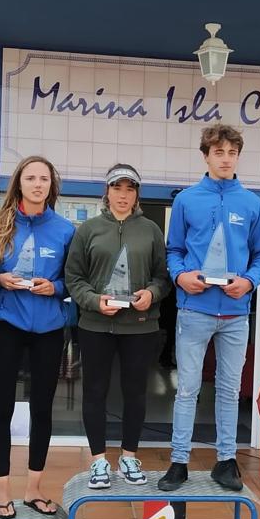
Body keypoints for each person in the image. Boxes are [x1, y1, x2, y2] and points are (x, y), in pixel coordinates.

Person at [160, 124, 260, 492]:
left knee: (228, 390)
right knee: (188, 388)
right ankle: (179, 461)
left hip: (236, 313)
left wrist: (250, 281)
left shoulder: (252, 203)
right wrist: (181, 277)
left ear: (238, 157)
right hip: (194, 310)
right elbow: (173, 251)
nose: (225, 159)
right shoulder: (187, 200)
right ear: (206, 156)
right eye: (219, 152)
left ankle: (225, 462)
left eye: (232, 153)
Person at [64, 164, 171, 489]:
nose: (123, 195)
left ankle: (129, 455)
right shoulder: (88, 230)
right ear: (106, 192)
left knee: (135, 393)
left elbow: (163, 277)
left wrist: (150, 294)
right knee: (94, 392)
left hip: (140, 326)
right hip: (96, 325)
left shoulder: (151, 230)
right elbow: (73, 278)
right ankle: (98, 460)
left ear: (136, 193)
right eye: (117, 188)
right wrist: (96, 302)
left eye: (129, 189)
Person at [0, 155, 75, 517]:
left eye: (44, 179)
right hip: (7, 327)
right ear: (19, 184)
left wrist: (53, 287)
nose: (38, 184)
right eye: (30, 178)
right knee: (2, 407)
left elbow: (73, 282)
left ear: (52, 186)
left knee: (42, 409)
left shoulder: (66, 231)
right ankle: (3, 491)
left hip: (49, 331)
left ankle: (33, 489)